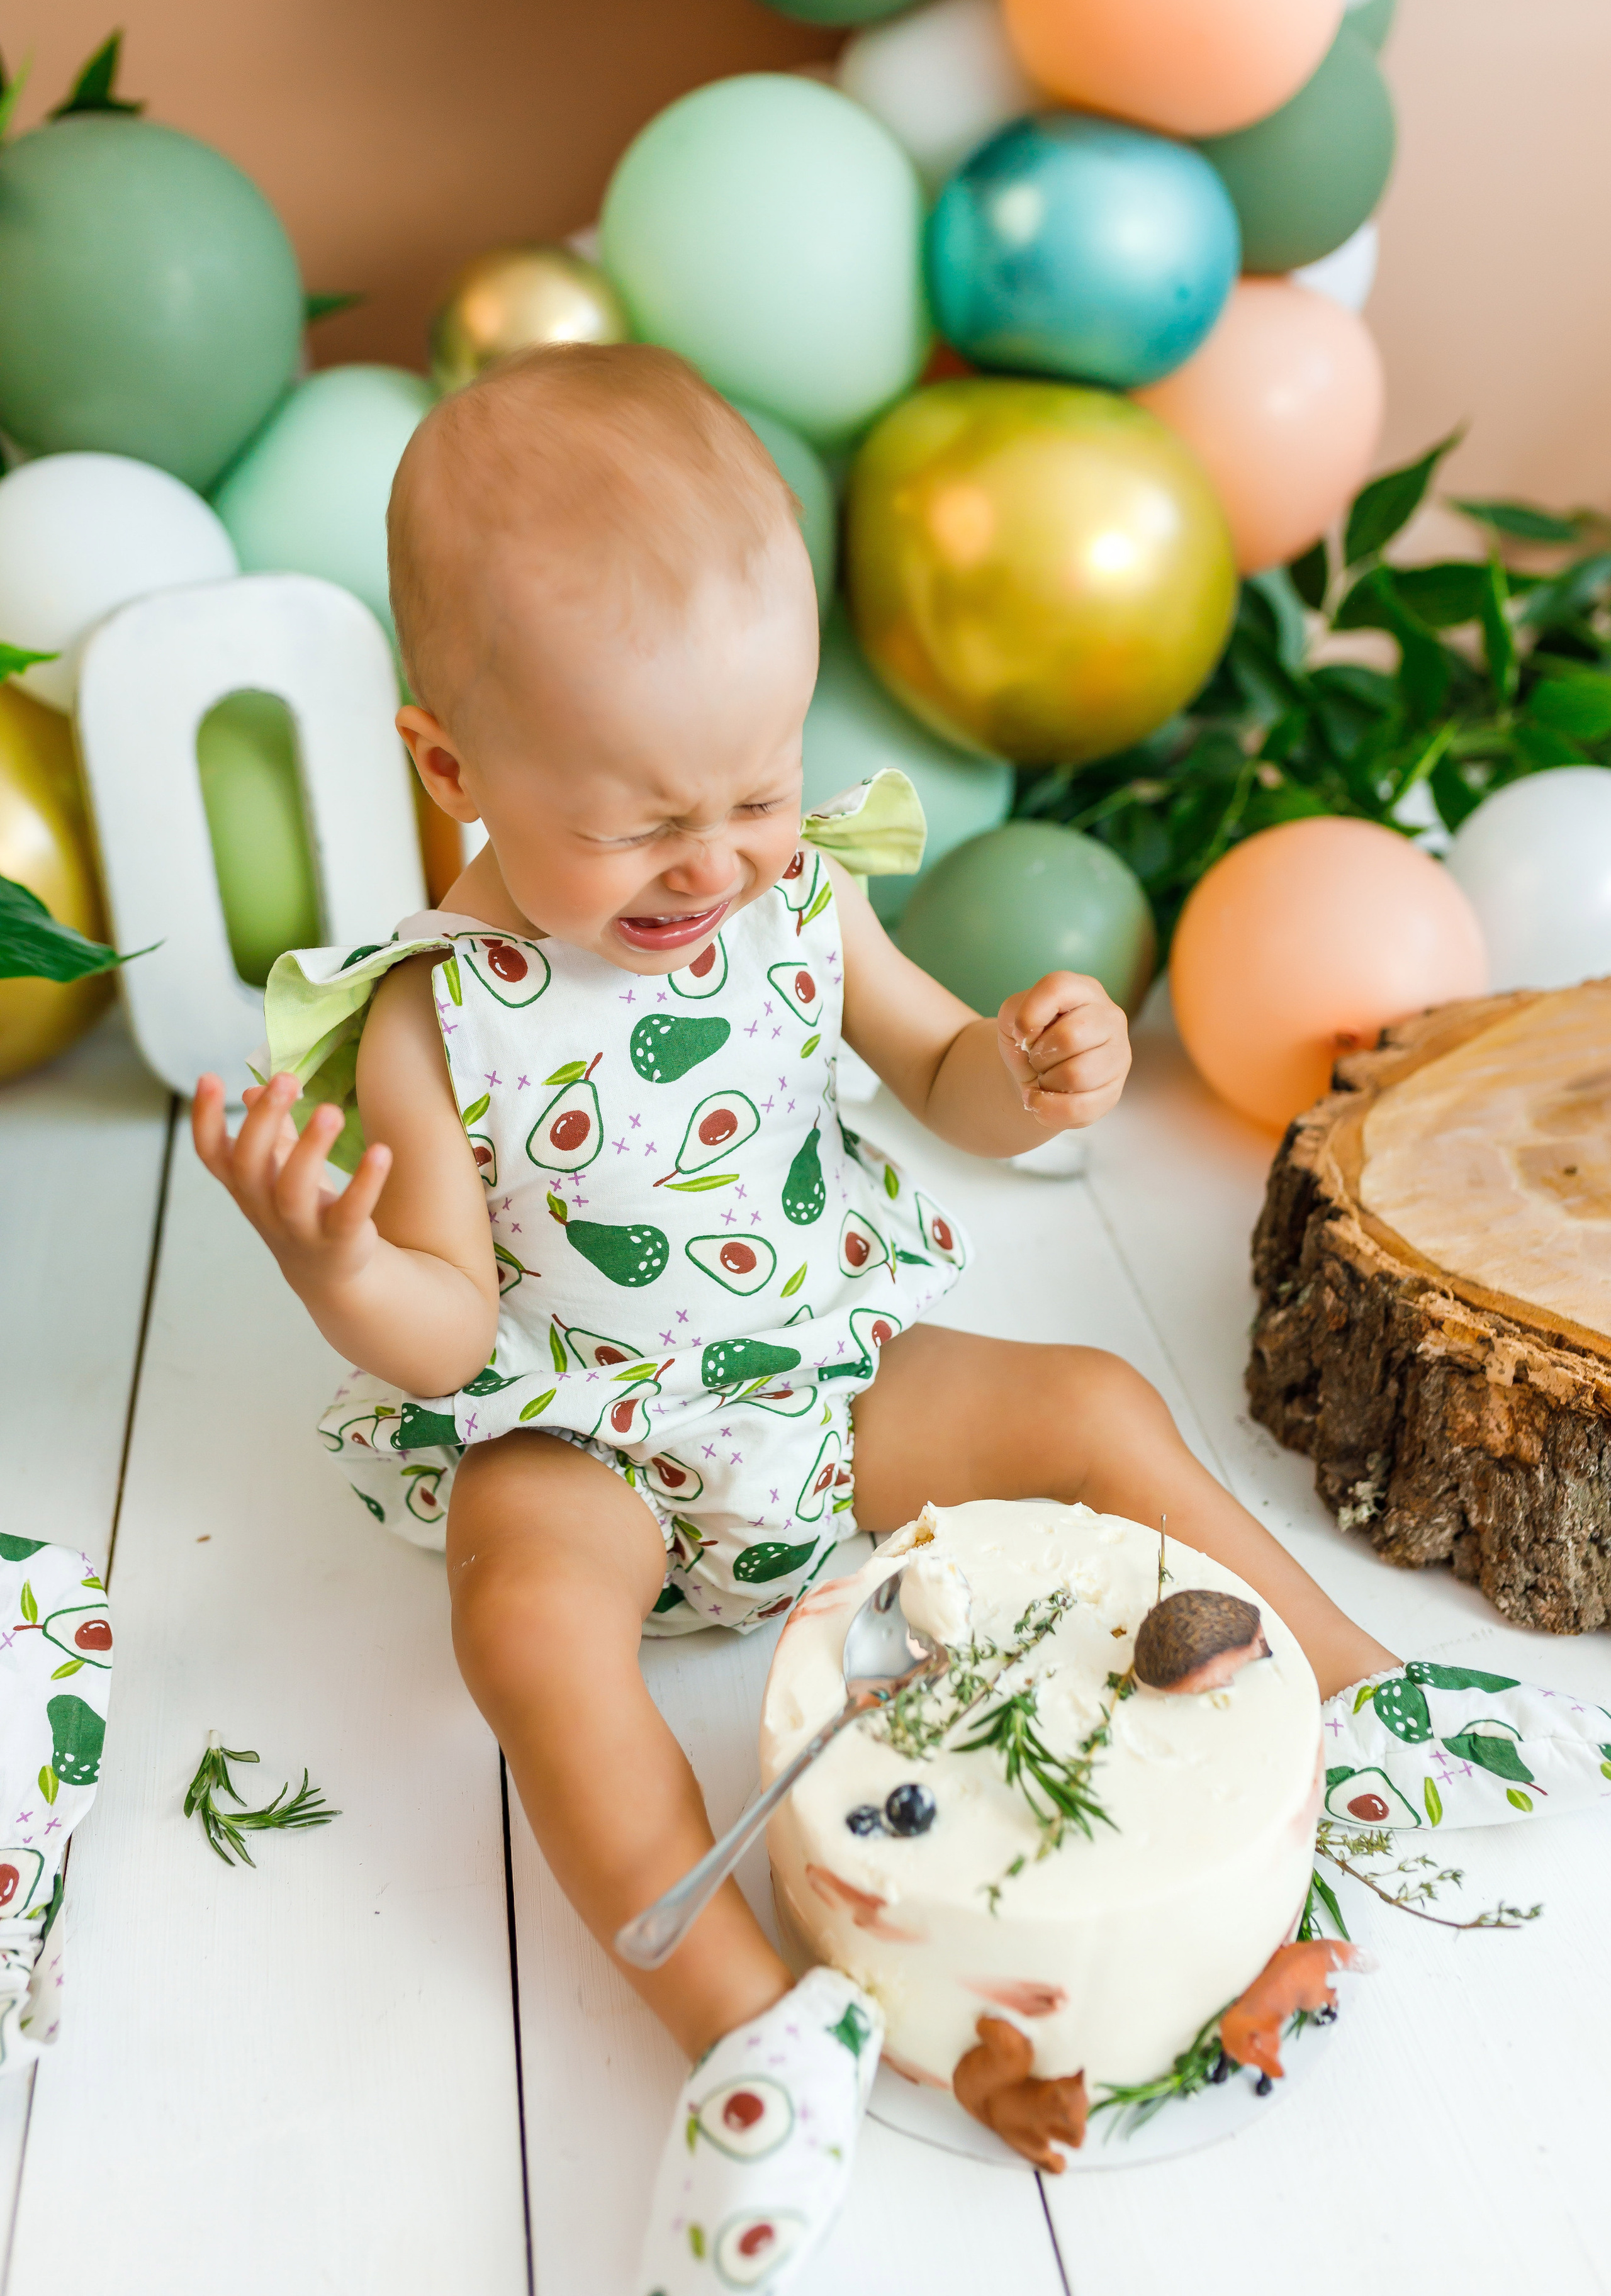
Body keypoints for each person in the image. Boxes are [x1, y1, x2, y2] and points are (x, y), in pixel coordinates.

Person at [194, 344, 1608, 2294]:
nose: (716, 861)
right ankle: (752, 2025)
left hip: (821, 1377)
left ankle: (1363, 1694)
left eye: (758, 788)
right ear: (456, 770)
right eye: (635, 826)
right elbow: (445, 1332)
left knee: (1099, 1395)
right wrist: (341, 1261)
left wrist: (1028, 1077)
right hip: (585, 1435)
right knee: (519, 1623)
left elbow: (935, 1069)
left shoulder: (796, 908)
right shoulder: (442, 1017)